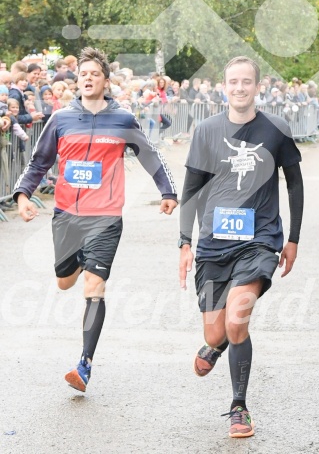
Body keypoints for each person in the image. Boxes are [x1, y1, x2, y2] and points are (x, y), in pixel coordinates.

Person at [13, 47, 178, 393]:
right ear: (77, 81)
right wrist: (23, 195)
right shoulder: (61, 119)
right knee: (64, 281)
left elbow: (149, 154)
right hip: (67, 216)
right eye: (83, 74)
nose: (87, 78)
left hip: (105, 216)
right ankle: (75, 265)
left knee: (94, 286)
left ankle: (84, 363)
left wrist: (167, 192)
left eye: (94, 74)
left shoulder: (122, 119)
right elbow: (39, 162)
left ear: (105, 81)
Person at [179, 56, 303, 438]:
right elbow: (191, 188)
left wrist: (293, 238)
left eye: (246, 82)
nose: (239, 88)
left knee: (237, 320)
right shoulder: (206, 130)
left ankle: (239, 407)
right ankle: (216, 347)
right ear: (224, 86)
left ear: (257, 86)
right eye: (233, 82)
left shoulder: (276, 130)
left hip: (259, 240)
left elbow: (294, 184)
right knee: (216, 334)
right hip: (214, 244)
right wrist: (185, 241)